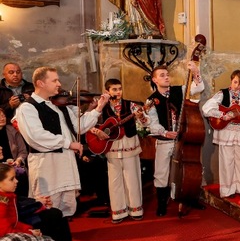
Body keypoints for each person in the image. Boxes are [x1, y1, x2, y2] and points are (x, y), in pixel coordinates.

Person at [14, 67, 109, 217]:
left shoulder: (59, 107)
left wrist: (98, 108)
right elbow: (36, 136)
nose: (59, 84)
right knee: (47, 207)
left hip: (65, 163)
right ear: (40, 83)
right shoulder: (28, 107)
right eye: (54, 80)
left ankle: (62, 230)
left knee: (67, 206)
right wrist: (68, 143)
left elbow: (79, 127)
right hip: (46, 164)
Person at [88, 79, 148, 224]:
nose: (118, 92)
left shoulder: (131, 105)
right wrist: (97, 132)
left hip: (129, 143)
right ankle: (118, 211)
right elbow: (87, 124)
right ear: (107, 91)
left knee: (132, 178)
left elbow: (146, 122)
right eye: (114, 89)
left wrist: (141, 116)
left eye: (120, 89)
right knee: (114, 180)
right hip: (111, 146)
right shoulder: (101, 107)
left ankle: (135, 209)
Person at [147, 63, 204, 216]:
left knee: (186, 170)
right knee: (161, 172)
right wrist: (165, 132)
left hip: (182, 139)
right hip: (164, 141)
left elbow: (198, 88)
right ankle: (161, 204)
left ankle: (189, 199)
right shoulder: (151, 100)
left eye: (167, 75)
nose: (166, 77)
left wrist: (195, 72)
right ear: (154, 80)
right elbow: (152, 122)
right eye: (162, 75)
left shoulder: (180, 90)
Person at [0, 163, 90, 241]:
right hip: (11, 234)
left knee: (55, 213)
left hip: (19, 220)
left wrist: (37, 203)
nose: (16, 181)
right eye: (12, 179)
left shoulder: (9, 195)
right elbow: (6, 229)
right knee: (52, 216)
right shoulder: (3, 201)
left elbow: (16, 212)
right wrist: (29, 231)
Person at [202, 70, 240, 198]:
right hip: (226, 132)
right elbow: (206, 108)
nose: (237, 86)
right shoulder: (222, 94)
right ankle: (227, 190)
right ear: (231, 80)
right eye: (235, 82)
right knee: (227, 161)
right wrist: (222, 115)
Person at [0, 109, 28, 197]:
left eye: (3, 116)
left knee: (21, 175)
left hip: (14, 168)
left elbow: (23, 151)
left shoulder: (12, 130)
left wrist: (18, 161)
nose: (2, 118)